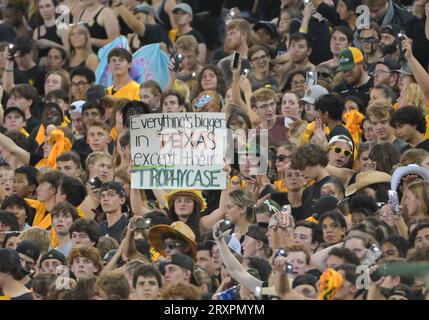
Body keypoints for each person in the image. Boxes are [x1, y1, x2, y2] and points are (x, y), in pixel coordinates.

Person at [217, 18, 251, 86]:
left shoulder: (255, 59)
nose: (228, 38)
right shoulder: (223, 63)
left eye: (232, 33)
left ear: (243, 35)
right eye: (227, 34)